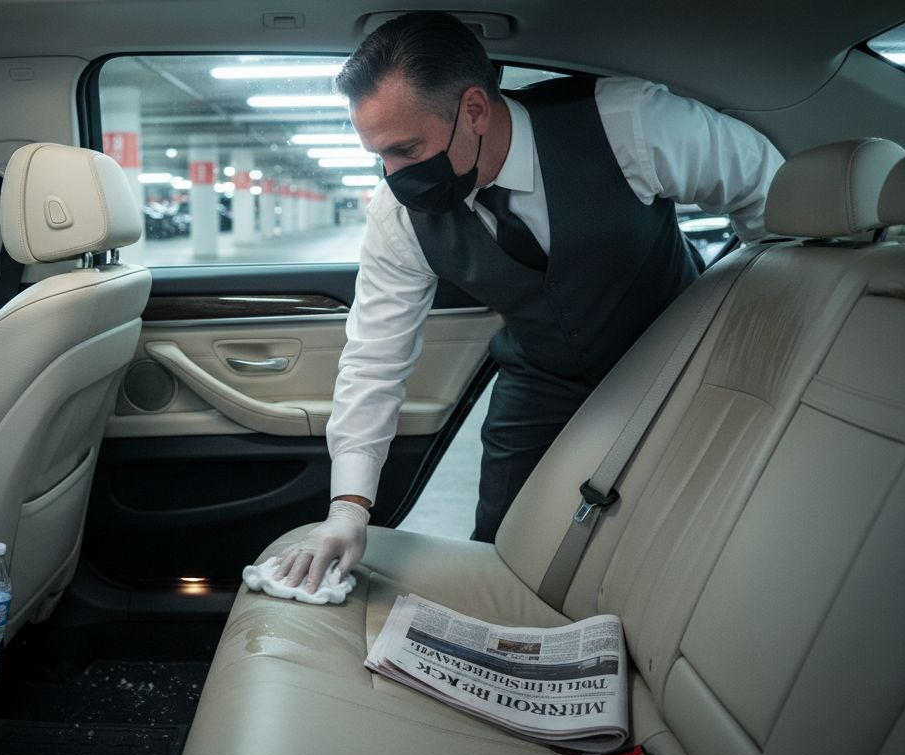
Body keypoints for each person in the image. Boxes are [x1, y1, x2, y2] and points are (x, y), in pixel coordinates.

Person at [275, 11, 783, 592]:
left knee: (675, 537)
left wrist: (748, 321)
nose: (392, 176)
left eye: (406, 150)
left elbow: (769, 192)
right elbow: (374, 359)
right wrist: (349, 509)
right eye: (379, 155)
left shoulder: (630, 124)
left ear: (473, 110)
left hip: (677, 363)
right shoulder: (398, 216)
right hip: (541, 375)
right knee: (502, 544)